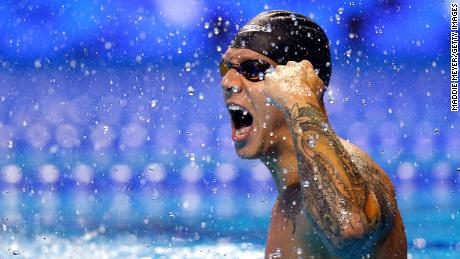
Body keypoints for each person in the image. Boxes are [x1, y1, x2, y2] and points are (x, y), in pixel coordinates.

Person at [219, 10, 407, 258]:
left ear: (295, 83)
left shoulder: (359, 171)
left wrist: (301, 99)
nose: (228, 81)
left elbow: (349, 228)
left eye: (252, 68)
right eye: (227, 67)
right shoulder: (290, 200)